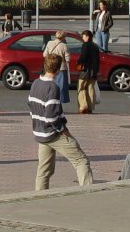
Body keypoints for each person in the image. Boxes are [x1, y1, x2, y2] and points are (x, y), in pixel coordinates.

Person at [29, 54, 93, 191]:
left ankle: (38, 197)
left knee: (44, 170)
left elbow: (31, 106)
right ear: (58, 70)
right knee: (81, 160)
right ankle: (88, 193)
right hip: (53, 133)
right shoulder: (52, 87)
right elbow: (51, 115)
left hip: (41, 133)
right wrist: (62, 129)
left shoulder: (36, 83)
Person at [76, 29, 100, 114]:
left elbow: (83, 57)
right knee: (91, 89)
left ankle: (83, 106)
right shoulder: (95, 46)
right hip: (93, 72)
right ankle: (90, 107)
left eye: (83, 36)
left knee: (81, 88)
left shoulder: (85, 45)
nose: (82, 38)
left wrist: (78, 62)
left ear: (87, 36)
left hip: (85, 71)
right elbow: (97, 60)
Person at [44, 30, 71, 105]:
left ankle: (50, 100)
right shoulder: (64, 46)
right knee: (61, 88)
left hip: (50, 67)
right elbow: (68, 59)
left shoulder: (49, 43)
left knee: (51, 85)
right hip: (61, 69)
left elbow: (44, 54)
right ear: (63, 37)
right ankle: (59, 103)